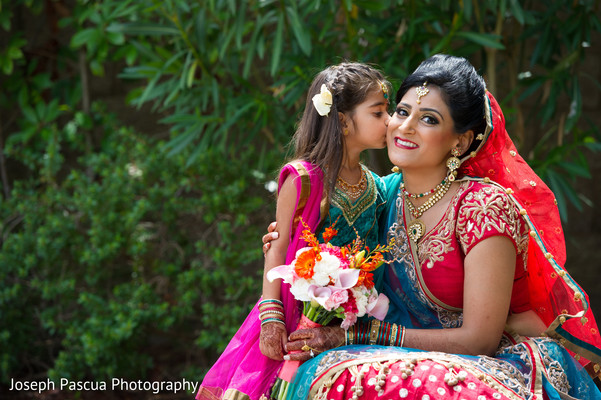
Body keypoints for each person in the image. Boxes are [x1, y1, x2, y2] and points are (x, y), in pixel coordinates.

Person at [265, 54, 601, 399]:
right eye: (400, 111)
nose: (406, 127)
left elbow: (479, 339)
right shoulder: (380, 197)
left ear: (460, 141)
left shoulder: (482, 206)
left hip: (488, 358)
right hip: (386, 353)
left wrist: (361, 336)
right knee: (330, 371)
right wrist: (285, 242)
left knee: (413, 380)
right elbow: (327, 230)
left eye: (428, 119)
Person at [196, 62, 394, 400]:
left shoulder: (377, 187)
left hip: (352, 325)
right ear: (343, 121)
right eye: (378, 113)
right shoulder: (303, 179)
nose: (390, 121)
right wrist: (271, 317)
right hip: (296, 319)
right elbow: (279, 243)